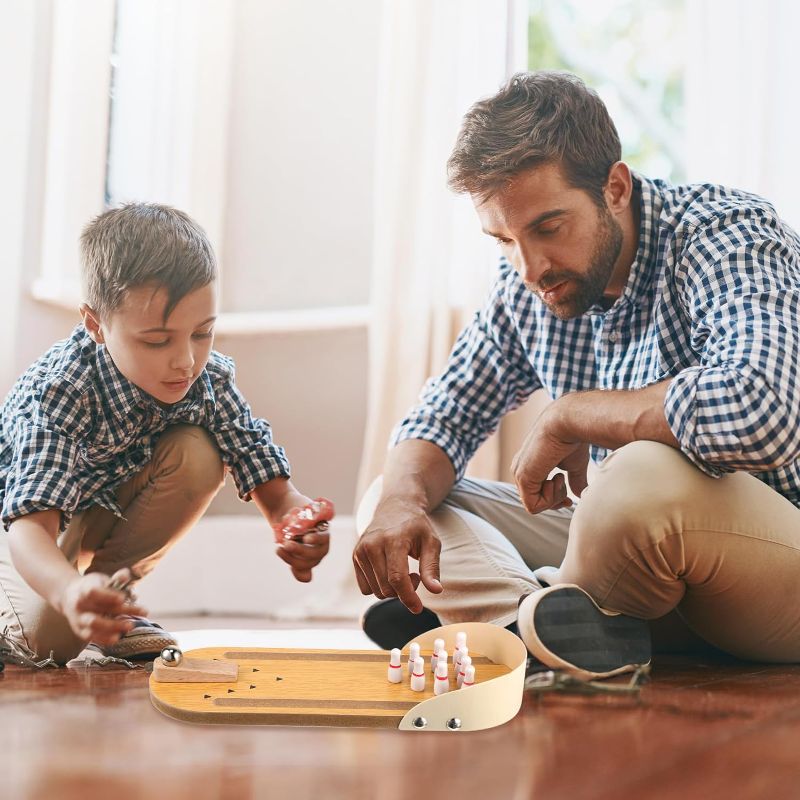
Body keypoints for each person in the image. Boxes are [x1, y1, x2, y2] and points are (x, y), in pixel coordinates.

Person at [354, 70, 800, 679]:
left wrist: (572, 412)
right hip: (643, 568)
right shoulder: (531, 285)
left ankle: (482, 619)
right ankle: (525, 627)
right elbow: (442, 415)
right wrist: (401, 502)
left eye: (547, 227)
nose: (530, 266)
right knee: (398, 492)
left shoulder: (724, 234)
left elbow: (761, 409)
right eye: (504, 240)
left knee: (640, 475)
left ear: (615, 187)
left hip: (774, 561)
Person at [0, 203, 331, 664]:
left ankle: (111, 603)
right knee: (49, 643)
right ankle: (48, 610)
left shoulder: (205, 377)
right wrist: (67, 590)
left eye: (202, 333)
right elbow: (29, 529)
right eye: (157, 341)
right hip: (21, 528)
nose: (186, 361)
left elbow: (262, 469)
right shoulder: (61, 391)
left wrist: (292, 520)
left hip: (90, 511)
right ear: (95, 324)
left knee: (200, 453)